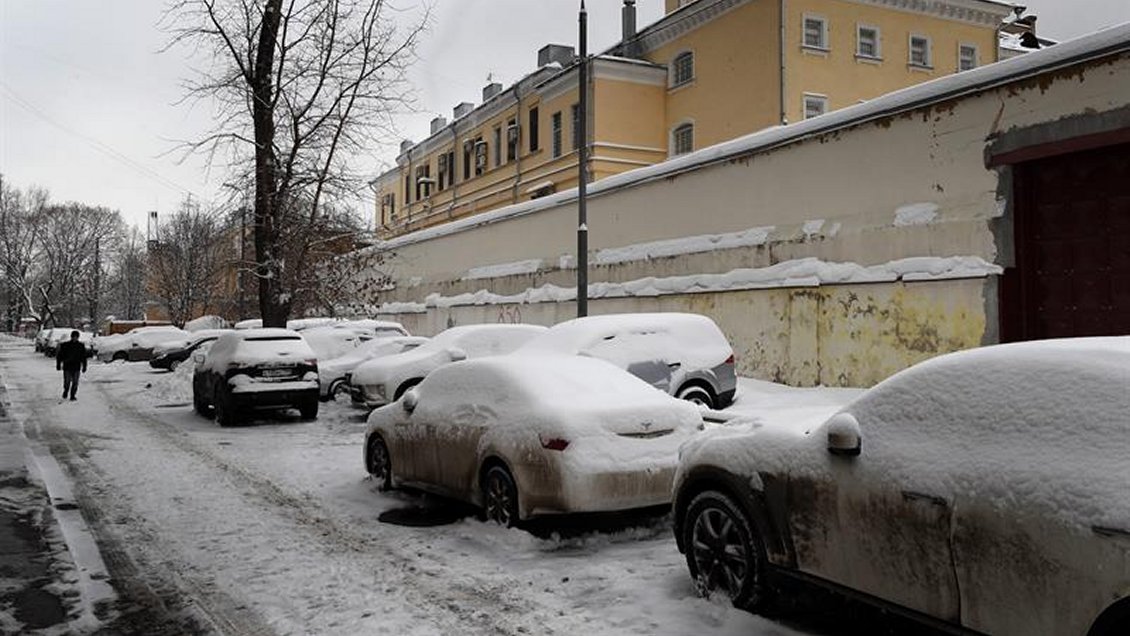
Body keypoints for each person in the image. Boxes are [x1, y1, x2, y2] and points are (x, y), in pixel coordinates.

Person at [55, 330, 88, 401]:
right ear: (71, 337)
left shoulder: (80, 346)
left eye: (76, 337)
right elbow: (59, 356)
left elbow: (84, 357)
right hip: (67, 366)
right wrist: (58, 364)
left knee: (75, 382)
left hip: (76, 366)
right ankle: (66, 390)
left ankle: (73, 395)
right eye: (74, 337)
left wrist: (84, 366)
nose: (75, 338)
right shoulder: (65, 345)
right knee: (67, 382)